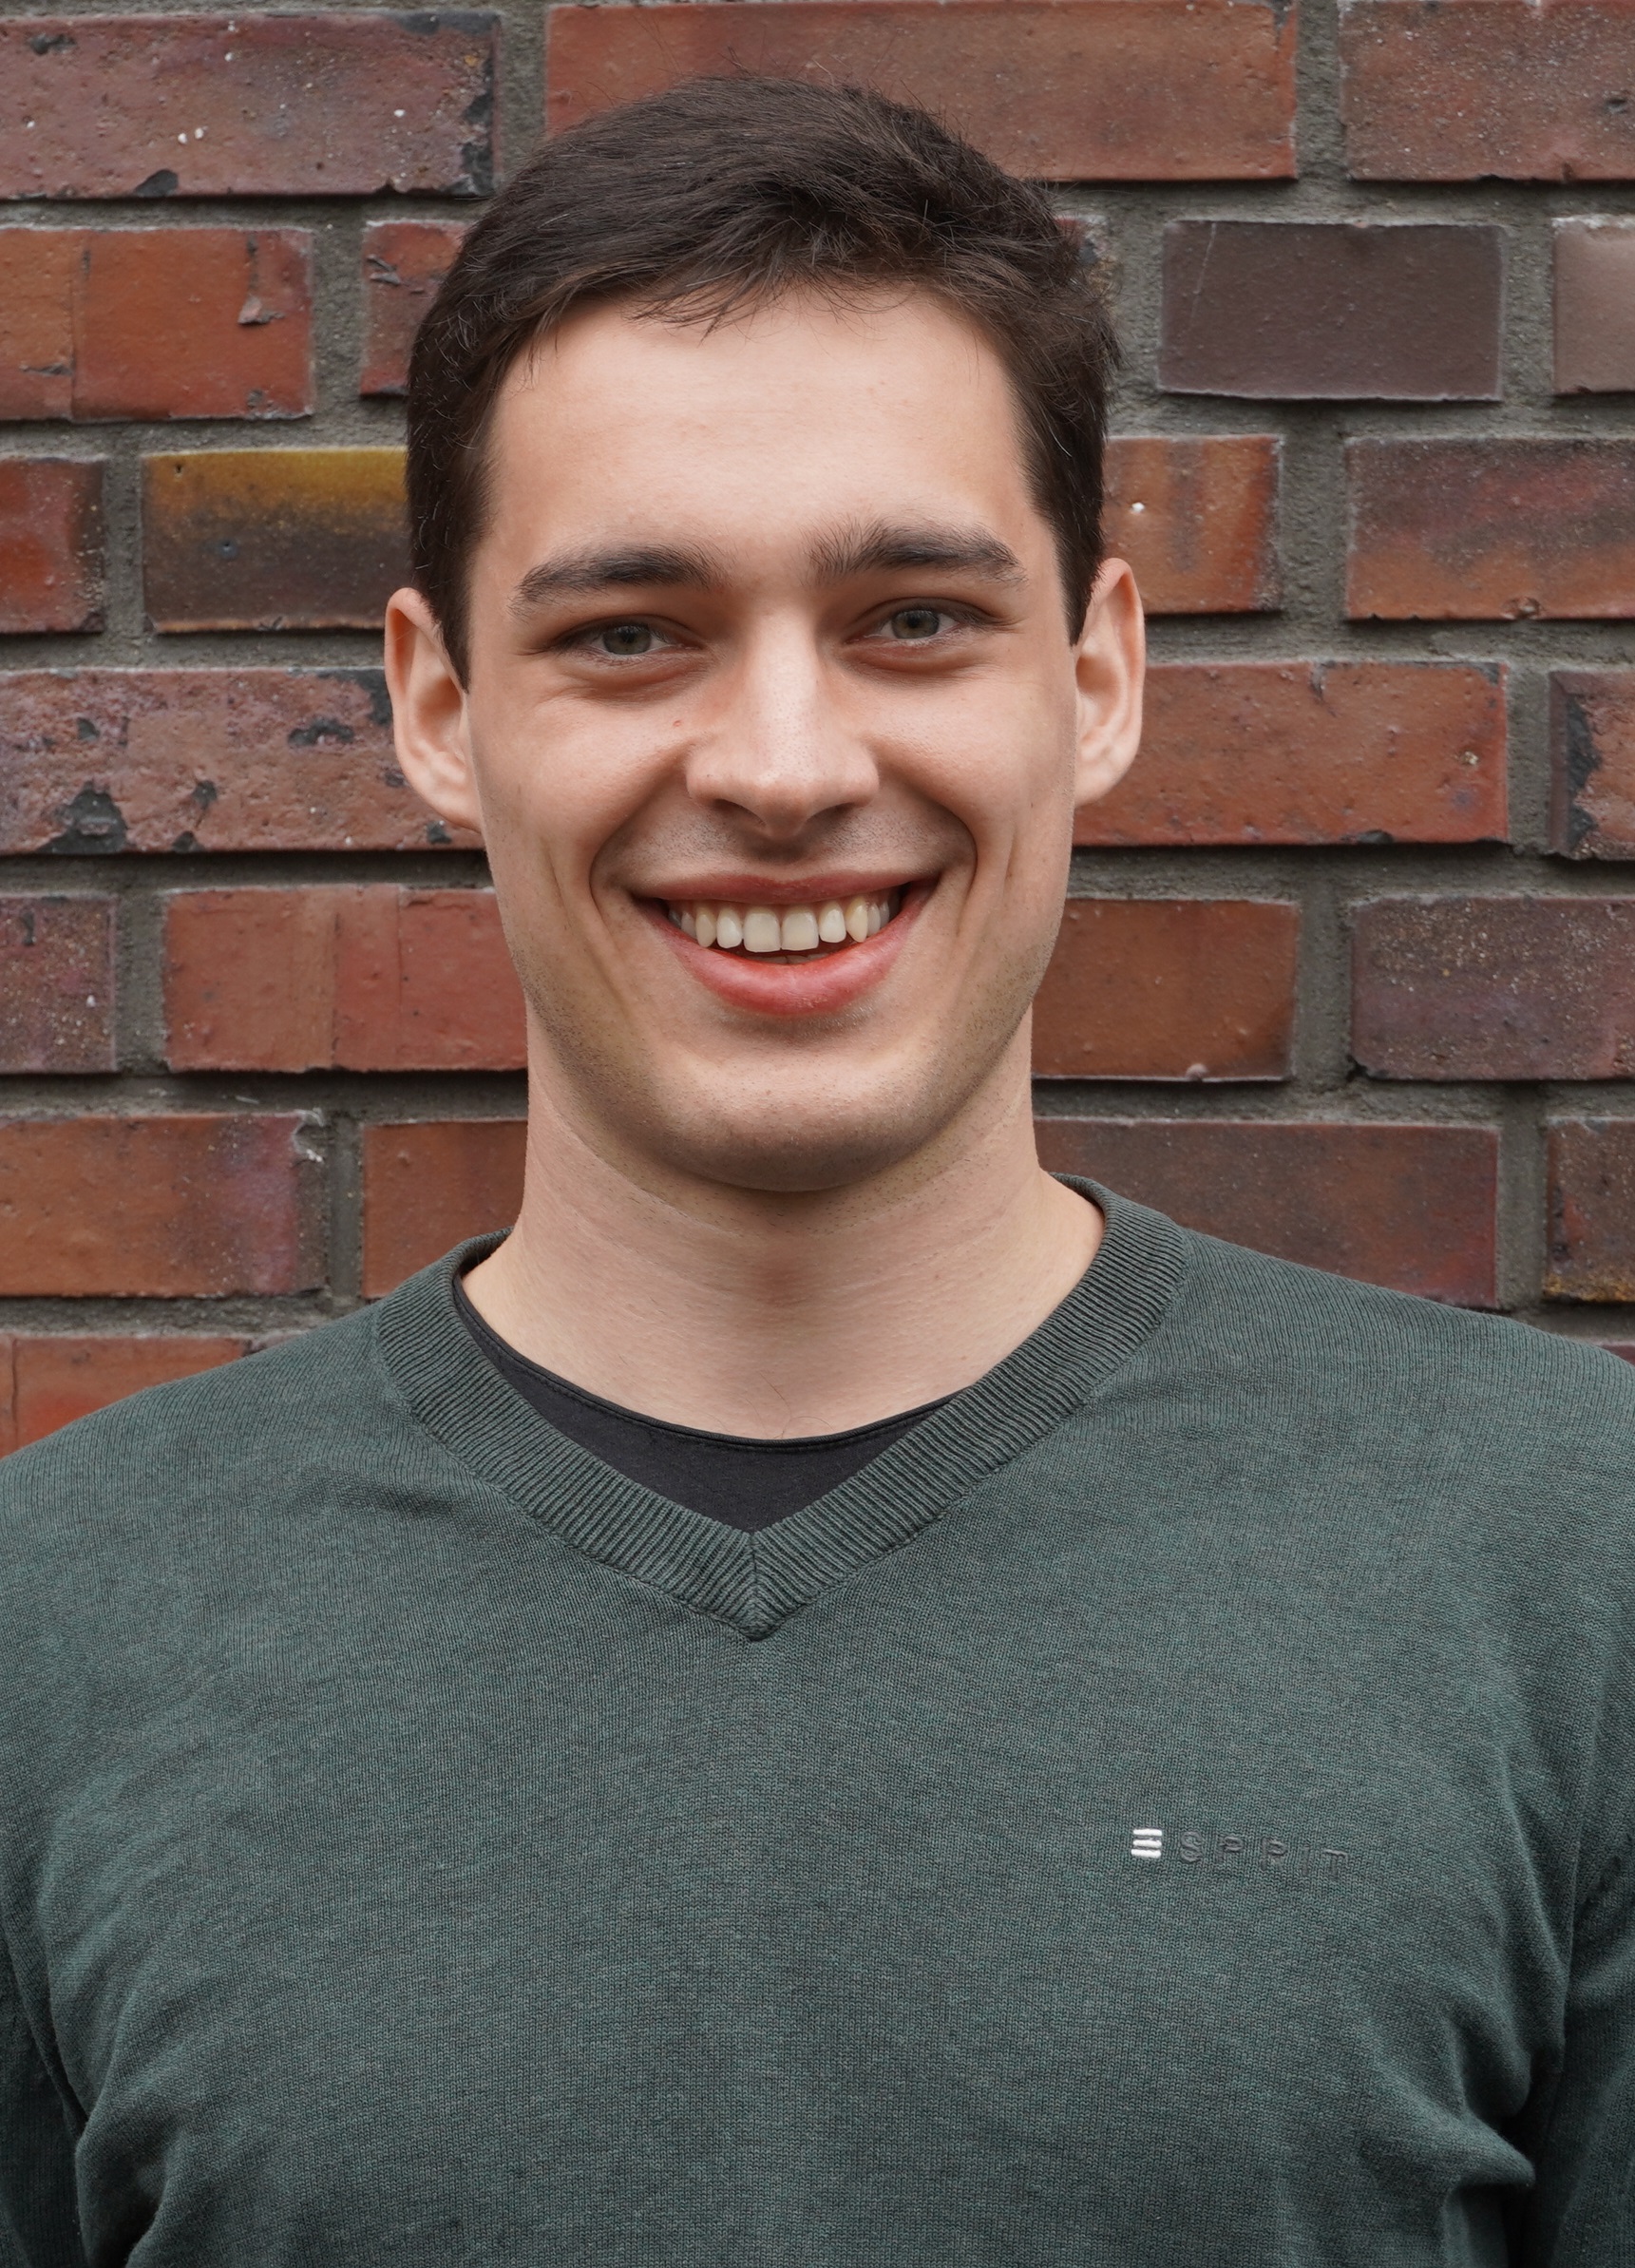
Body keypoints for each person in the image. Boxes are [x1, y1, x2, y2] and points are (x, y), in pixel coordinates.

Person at [0, 76, 1630, 2268]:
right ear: (440, 709)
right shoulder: (56, 1629)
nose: (782, 767)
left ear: (1098, 675)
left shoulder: (1567, 1567)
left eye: (913, 618)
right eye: (628, 632)